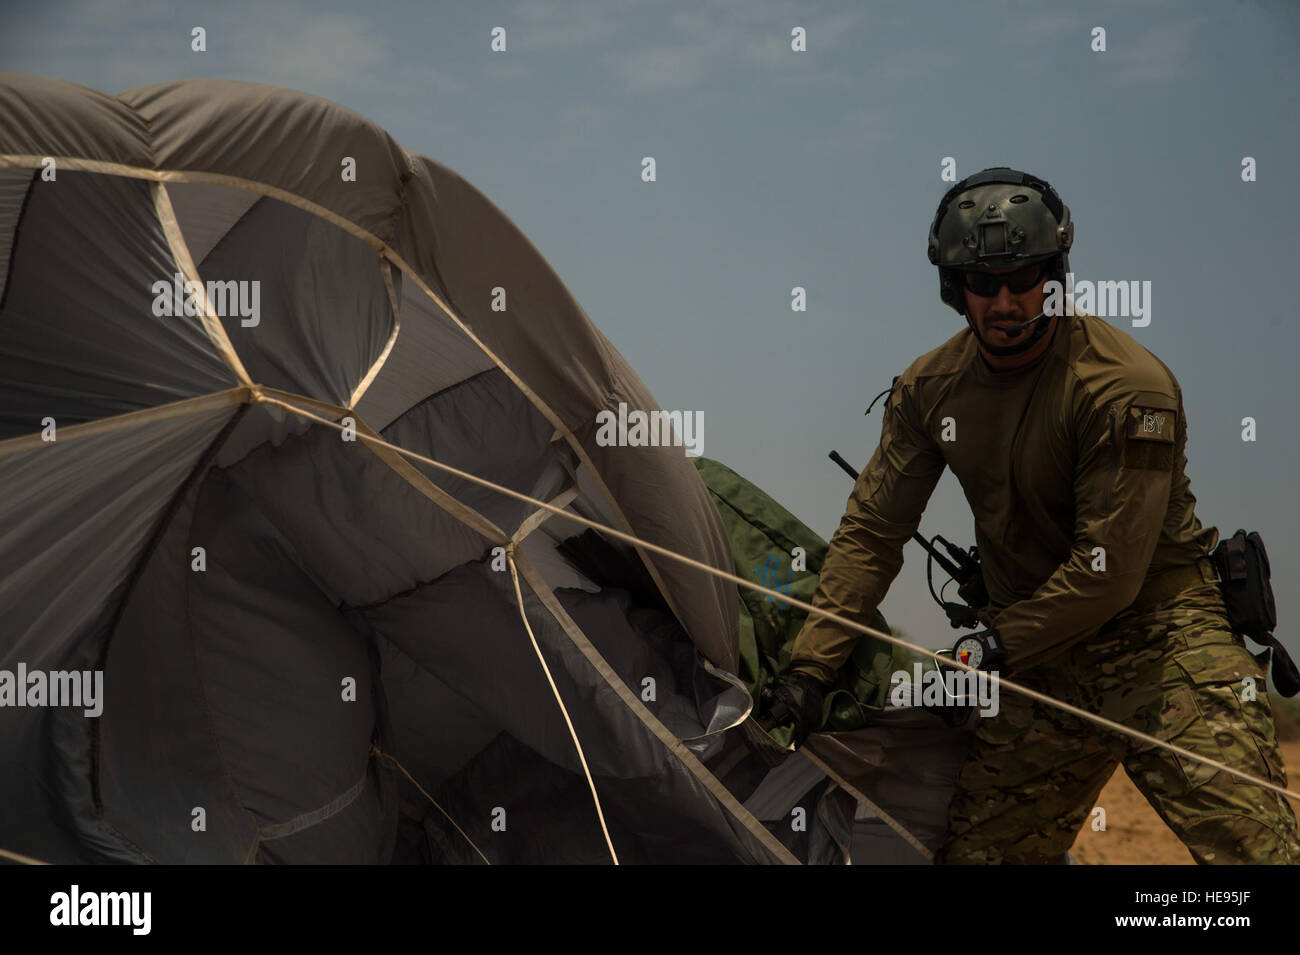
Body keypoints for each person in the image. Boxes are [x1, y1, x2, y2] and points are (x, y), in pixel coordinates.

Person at [767, 167, 1300, 864]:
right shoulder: (928, 390)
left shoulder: (1122, 386)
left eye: (1024, 277)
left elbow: (1107, 574)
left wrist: (988, 649)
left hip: (1162, 644)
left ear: (1055, 275)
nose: (1006, 300)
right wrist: (810, 672)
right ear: (954, 290)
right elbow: (872, 533)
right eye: (983, 284)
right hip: (1036, 668)